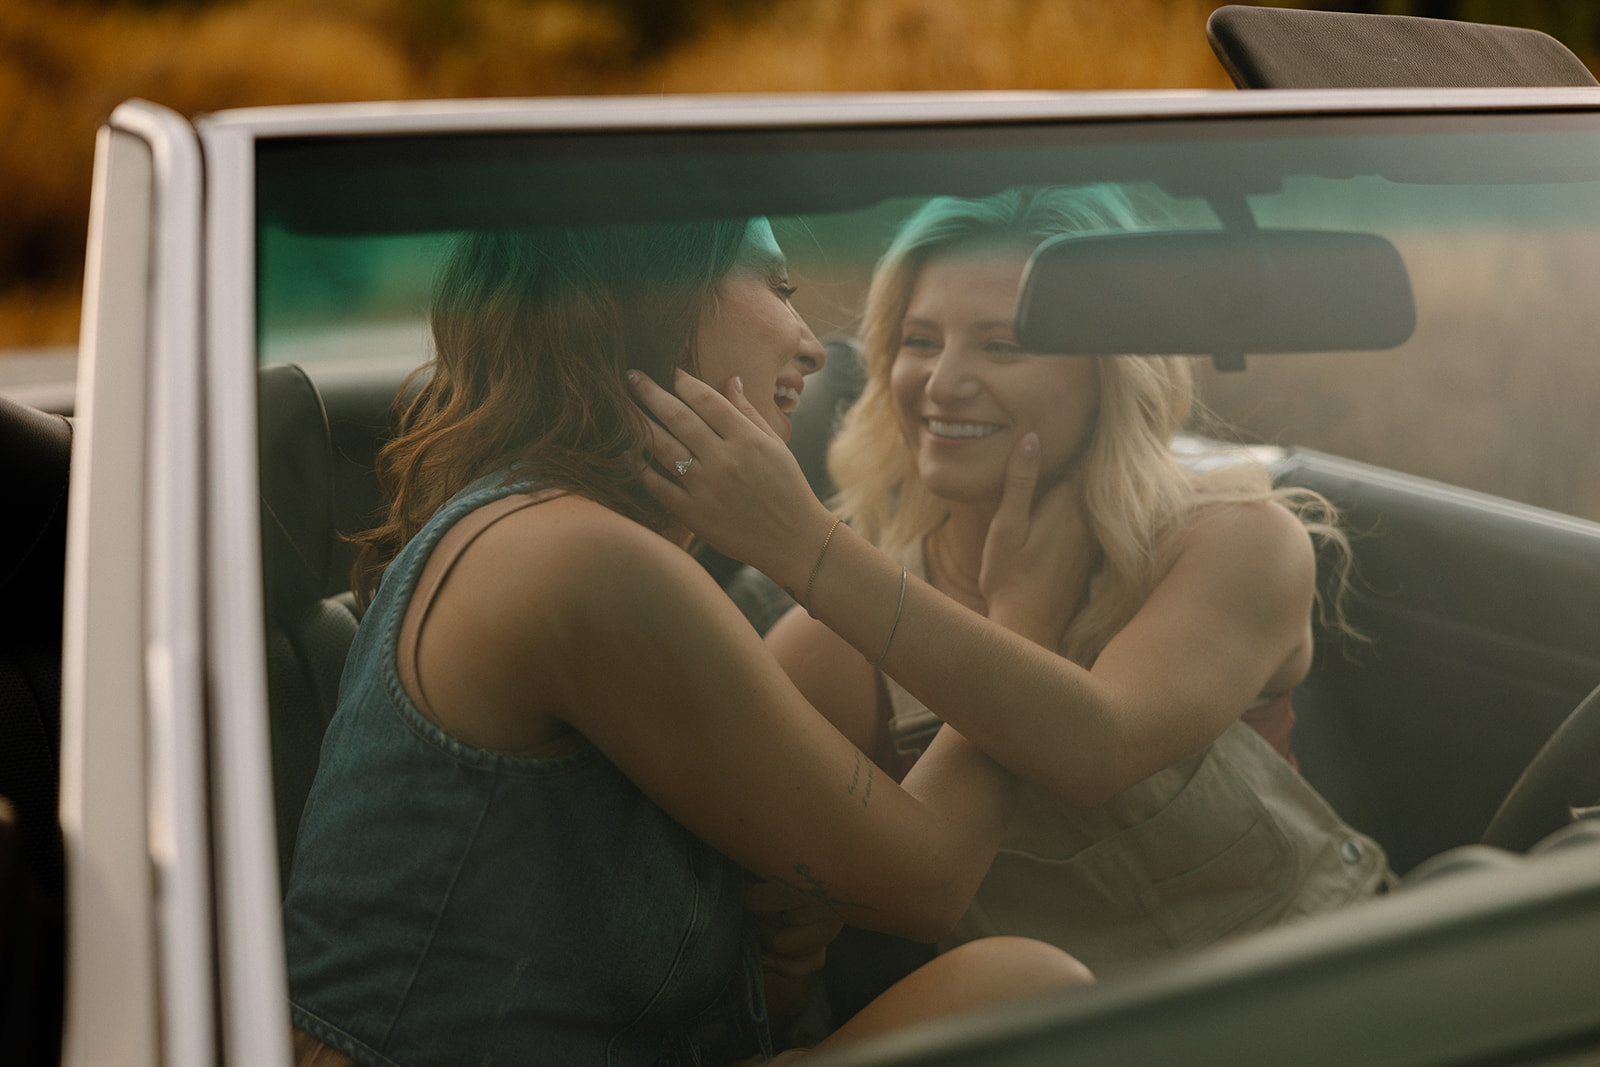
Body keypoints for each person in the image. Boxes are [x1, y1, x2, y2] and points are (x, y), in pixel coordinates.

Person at [280, 218, 1092, 1067]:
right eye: (779, 289)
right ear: (657, 293)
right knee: (1031, 990)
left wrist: (779, 951)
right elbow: (930, 879)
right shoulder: (577, 560)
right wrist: (1023, 621)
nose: (815, 347)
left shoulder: (545, 530)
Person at [626, 187, 1391, 985]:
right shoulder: (829, 651)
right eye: (920, 340)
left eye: (1004, 345)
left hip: (1352, 993)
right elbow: (752, 970)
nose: (943, 382)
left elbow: (1099, 747)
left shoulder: (1236, 542)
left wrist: (799, 541)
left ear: (1109, 369)